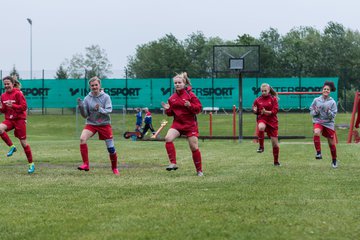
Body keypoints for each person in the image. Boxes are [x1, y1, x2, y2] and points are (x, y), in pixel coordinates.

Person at [161, 72, 203, 176]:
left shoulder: (190, 95)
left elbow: (199, 109)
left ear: (184, 83)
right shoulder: (171, 98)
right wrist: (167, 109)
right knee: (168, 138)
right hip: (178, 124)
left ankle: (199, 171)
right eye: (175, 83)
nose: (177, 84)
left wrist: (190, 105)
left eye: (179, 82)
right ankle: (173, 163)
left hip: (190, 125)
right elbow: (171, 114)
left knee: (194, 148)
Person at [77, 76, 119, 175]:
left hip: (104, 124)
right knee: (82, 139)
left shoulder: (106, 97)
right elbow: (85, 115)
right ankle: (86, 164)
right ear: (90, 87)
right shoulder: (87, 98)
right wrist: (81, 108)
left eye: (96, 85)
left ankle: (114, 168)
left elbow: (109, 110)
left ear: (100, 85)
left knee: (111, 148)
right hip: (91, 123)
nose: (94, 87)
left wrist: (99, 108)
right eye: (92, 85)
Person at [0, 76, 35, 174]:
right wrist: (0, 107)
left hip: (20, 120)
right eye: (5, 84)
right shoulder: (3, 96)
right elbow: (3, 110)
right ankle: (12, 147)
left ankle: (31, 164)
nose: (6, 86)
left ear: (12, 84)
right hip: (10, 120)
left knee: (24, 143)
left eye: (8, 84)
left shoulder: (18, 93)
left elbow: (24, 107)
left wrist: (13, 105)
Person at [309, 81, 338, 168]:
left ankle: (334, 160)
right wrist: (316, 111)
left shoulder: (332, 102)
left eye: (328, 89)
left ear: (330, 91)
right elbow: (311, 111)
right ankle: (318, 153)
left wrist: (328, 111)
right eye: (324, 89)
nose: (326, 90)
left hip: (329, 123)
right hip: (318, 121)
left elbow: (333, 116)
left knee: (331, 143)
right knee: (316, 132)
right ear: (322, 90)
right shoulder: (316, 100)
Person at [252, 83, 280, 166]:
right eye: (262, 91)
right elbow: (256, 111)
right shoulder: (257, 100)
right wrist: (254, 110)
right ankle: (261, 147)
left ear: (269, 90)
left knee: (275, 144)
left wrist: (266, 112)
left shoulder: (273, 99)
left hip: (272, 121)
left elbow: (275, 111)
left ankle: (276, 161)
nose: (263, 92)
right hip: (262, 119)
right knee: (261, 127)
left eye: (265, 91)